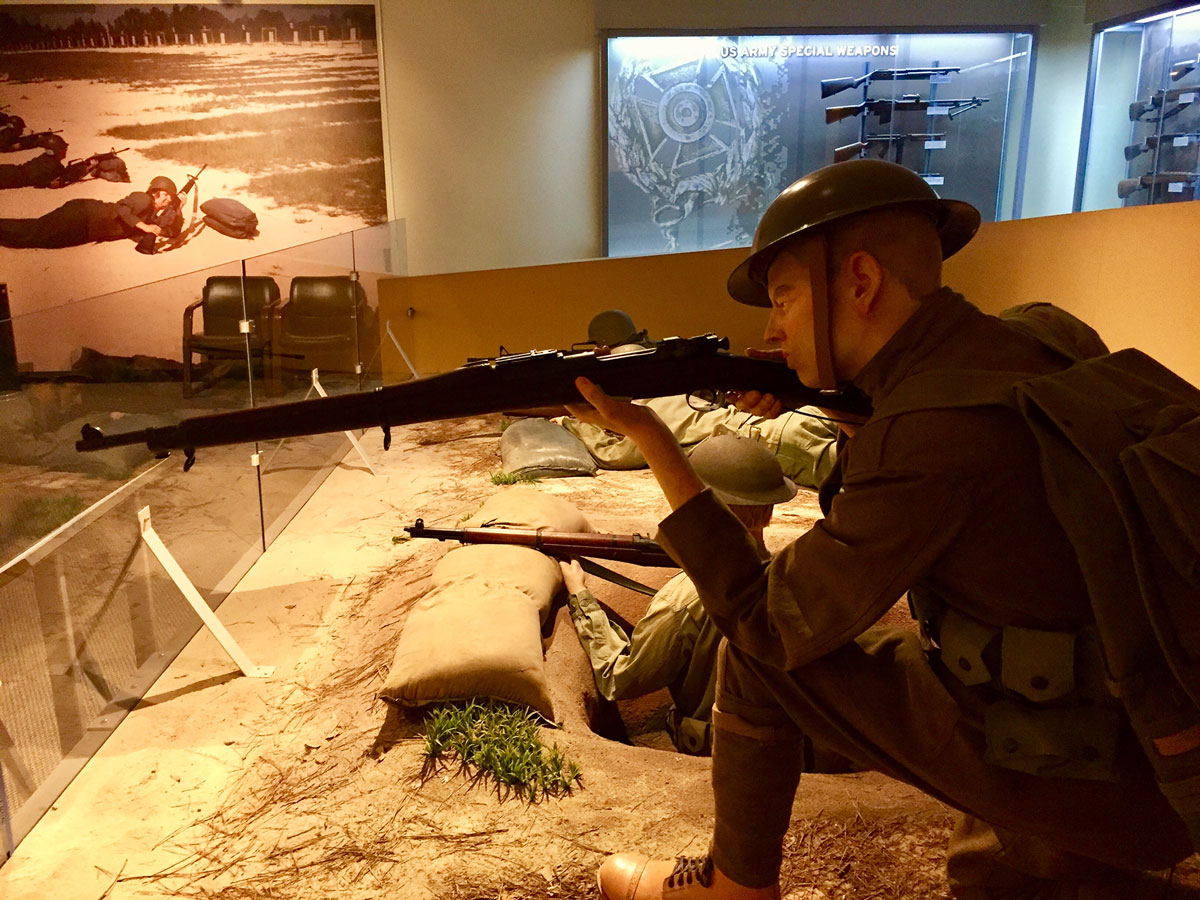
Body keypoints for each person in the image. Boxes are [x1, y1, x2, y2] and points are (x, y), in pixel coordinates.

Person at [566, 159, 1199, 899]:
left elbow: (767, 623)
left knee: (762, 655)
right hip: (1162, 736)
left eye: (784, 298)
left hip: (1115, 782)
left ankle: (732, 888)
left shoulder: (925, 438)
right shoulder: (1047, 336)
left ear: (858, 282)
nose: (770, 330)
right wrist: (851, 405)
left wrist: (653, 441)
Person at [560, 434, 798, 755]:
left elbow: (621, 679)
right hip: (793, 747)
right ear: (769, 510)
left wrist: (580, 596)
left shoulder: (682, 601)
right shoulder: (793, 575)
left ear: (696, 502)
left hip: (723, 756)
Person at [0, 175, 178, 253]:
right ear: (155, 192)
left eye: (170, 199)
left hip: (87, 227)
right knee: (36, 232)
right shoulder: (143, 199)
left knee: (42, 238)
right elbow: (121, 209)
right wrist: (145, 226)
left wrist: (178, 208)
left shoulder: (148, 214)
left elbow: (166, 230)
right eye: (166, 196)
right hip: (83, 215)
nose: (168, 200)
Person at [0, 134, 69, 190]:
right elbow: (38, 182)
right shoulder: (55, 166)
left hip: (11, 170)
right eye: (64, 149)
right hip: (11, 178)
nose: (65, 150)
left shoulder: (44, 157)